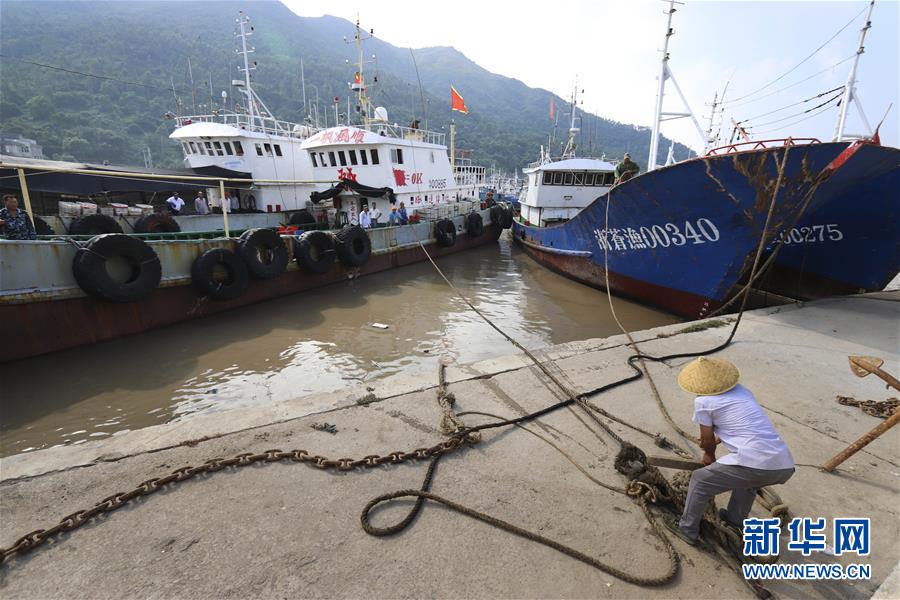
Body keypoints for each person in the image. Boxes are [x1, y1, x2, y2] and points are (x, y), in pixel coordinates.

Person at [667, 357, 795, 545]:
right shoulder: (743, 392)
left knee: (700, 480)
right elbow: (741, 426)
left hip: (755, 463)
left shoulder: (703, 402)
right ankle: (735, 521)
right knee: (748, 483)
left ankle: (687, 530)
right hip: (783, 465)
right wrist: (719, 440)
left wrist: (709, 454)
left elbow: (707, 439)